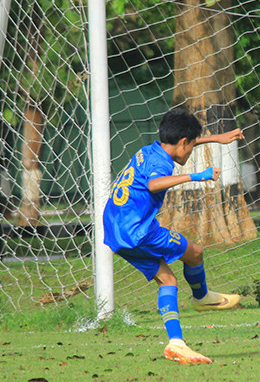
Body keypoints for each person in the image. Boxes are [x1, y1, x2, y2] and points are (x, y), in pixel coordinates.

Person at [103, 106, 245, 365]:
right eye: (190, 147)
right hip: (139, 231)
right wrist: (196, 175)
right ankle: (201, 297)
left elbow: (183, 143)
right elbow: (154, 184)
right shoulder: (162, 163)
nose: (190, 152)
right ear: (183, 142)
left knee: (167, 280)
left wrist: (216, 138)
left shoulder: (151, 150)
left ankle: (177, 344)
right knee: (196, 253)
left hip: (115, 227)